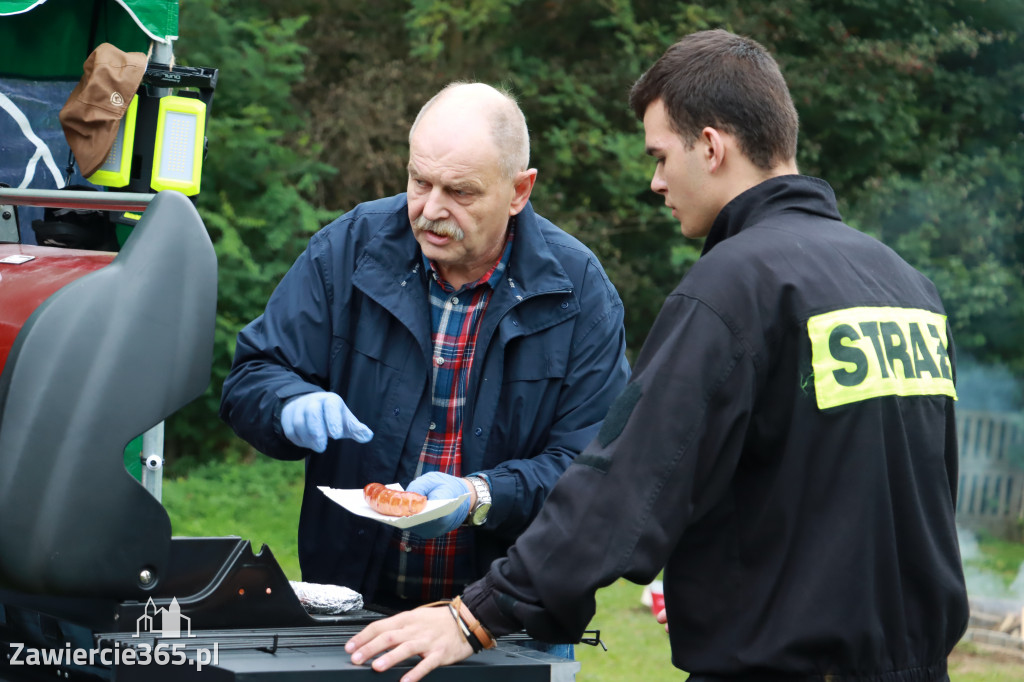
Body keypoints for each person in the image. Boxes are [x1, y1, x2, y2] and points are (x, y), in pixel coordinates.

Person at [345, 29, 969, 682]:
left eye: (661, 156)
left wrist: (473, 616)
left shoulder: (736, 285)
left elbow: (624, 486)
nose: (656, 181)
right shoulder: (906, 287)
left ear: (710, 146)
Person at [219, 82, 631, 628]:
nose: (431, 210)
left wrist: (480, 495)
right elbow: (252, 376)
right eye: (419, 181)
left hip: (508, 622)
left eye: (460, 192)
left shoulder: (579, 292)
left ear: (519, 191)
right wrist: (288, 403)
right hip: (354, 612)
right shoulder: (348, 250)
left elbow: (594, 468)